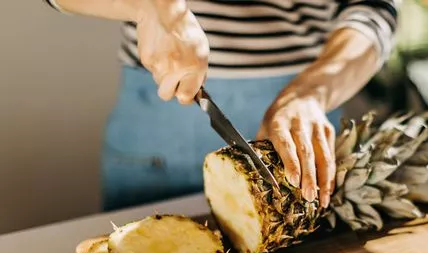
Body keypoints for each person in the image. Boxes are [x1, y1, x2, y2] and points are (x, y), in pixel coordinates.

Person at [44, 0, 399, 211]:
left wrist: (310, 93)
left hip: (301, 117)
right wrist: (150, 6)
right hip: (158, 137)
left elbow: (373, 10)